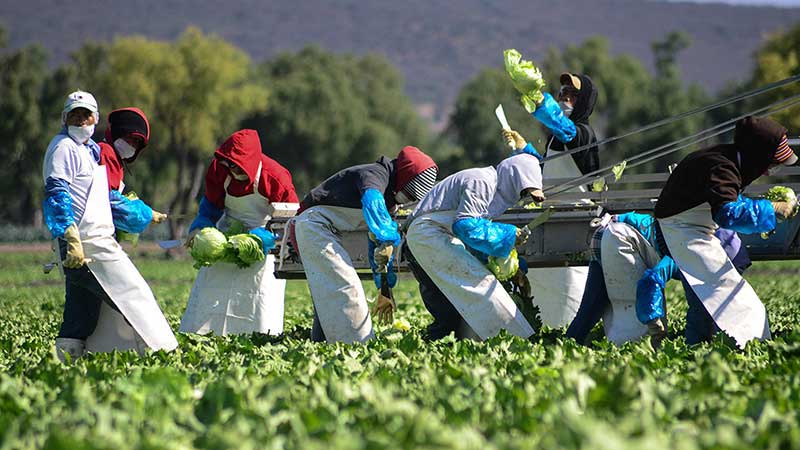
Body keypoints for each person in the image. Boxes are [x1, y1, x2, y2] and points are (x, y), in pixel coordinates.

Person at [42, 91, 178, 361]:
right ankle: (162, 353)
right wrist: (70, 237)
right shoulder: (62, 148)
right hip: (84, 242)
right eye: (75, 115)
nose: (81, 120)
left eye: (86, 115)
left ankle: (66, 362)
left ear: (96, 119)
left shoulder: (89, 150)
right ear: (64, 118)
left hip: (93, 239)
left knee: (82, 311)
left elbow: (106, 196)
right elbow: (57, 193)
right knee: (132, 293)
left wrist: (145, 212)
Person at [654, 116, 798, 348]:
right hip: (682, 229)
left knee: (716, 287)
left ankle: (705, 343)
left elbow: (726, 200)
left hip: (698, 225)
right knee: (717, 294)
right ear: (757, 155)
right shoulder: (722, 166)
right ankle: (704, 347)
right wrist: (771, 208)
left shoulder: (730, 159)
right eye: (770, 164)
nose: (771, 171)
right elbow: (728, 213)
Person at [293, 146, 437, 343]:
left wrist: (384, 288)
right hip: (313, 226)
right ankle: (357, 344)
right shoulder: (374, 176)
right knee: (344, 285)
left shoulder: (390, 197)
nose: (408, 200)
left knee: (330, 287)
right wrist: (388, 235)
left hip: (327, 230)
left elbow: (376, 247)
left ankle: (321, 342)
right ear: (404, 178)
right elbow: (372, 203)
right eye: (409, 194)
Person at [403, 146, 544, 341]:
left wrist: (511, 268)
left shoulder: (492, 187)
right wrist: (510, 234)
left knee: (453, 307)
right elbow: (466, 227)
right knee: (482, 287)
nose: (521, 197)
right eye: (523, 191)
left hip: (437, 236)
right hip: (429, 234)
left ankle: (460, 343)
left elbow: (474, 239)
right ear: (513, 178)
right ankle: (518, 340)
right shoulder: (482, 181)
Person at [565, 213, 750, 346]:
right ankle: (627, 355)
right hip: (619, 237)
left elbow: (717, 302)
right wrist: (654, 323)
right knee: (636, 332)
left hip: (612, 232)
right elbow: (652, 281)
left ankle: (567, 344)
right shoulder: (691, 253)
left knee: (591, 307)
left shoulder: (709, 246)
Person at [180, 129, 298, 336]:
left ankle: (260, 335)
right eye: (229, 165)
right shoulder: (219, 169)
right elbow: (210, 205)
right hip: (227, 237)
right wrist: (201, 226)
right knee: (212, 288)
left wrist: (262, 239)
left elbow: (289, 221)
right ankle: (203, 333)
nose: (232, 170)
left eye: (237, 166)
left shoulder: (276, 177)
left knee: (258, 295)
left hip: (264, 241)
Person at [511, 73, 600, 327]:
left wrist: (540, 101)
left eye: (572, 95)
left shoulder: (582, 133)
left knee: (571, 284)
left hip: (576, 218)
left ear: (584, 101)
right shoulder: (557, 137)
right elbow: (544, 166)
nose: (565, 99)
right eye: (562, 94)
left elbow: (564, 129)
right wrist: (523, 147)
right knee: (547, 282)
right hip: (552, 213)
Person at [98, 107, 167, 234]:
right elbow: (110, 201)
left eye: (137, 143)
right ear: (120, 131)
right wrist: (146, 213)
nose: (133, 145)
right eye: (131, 138)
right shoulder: (106, 153)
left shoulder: (115, 158)